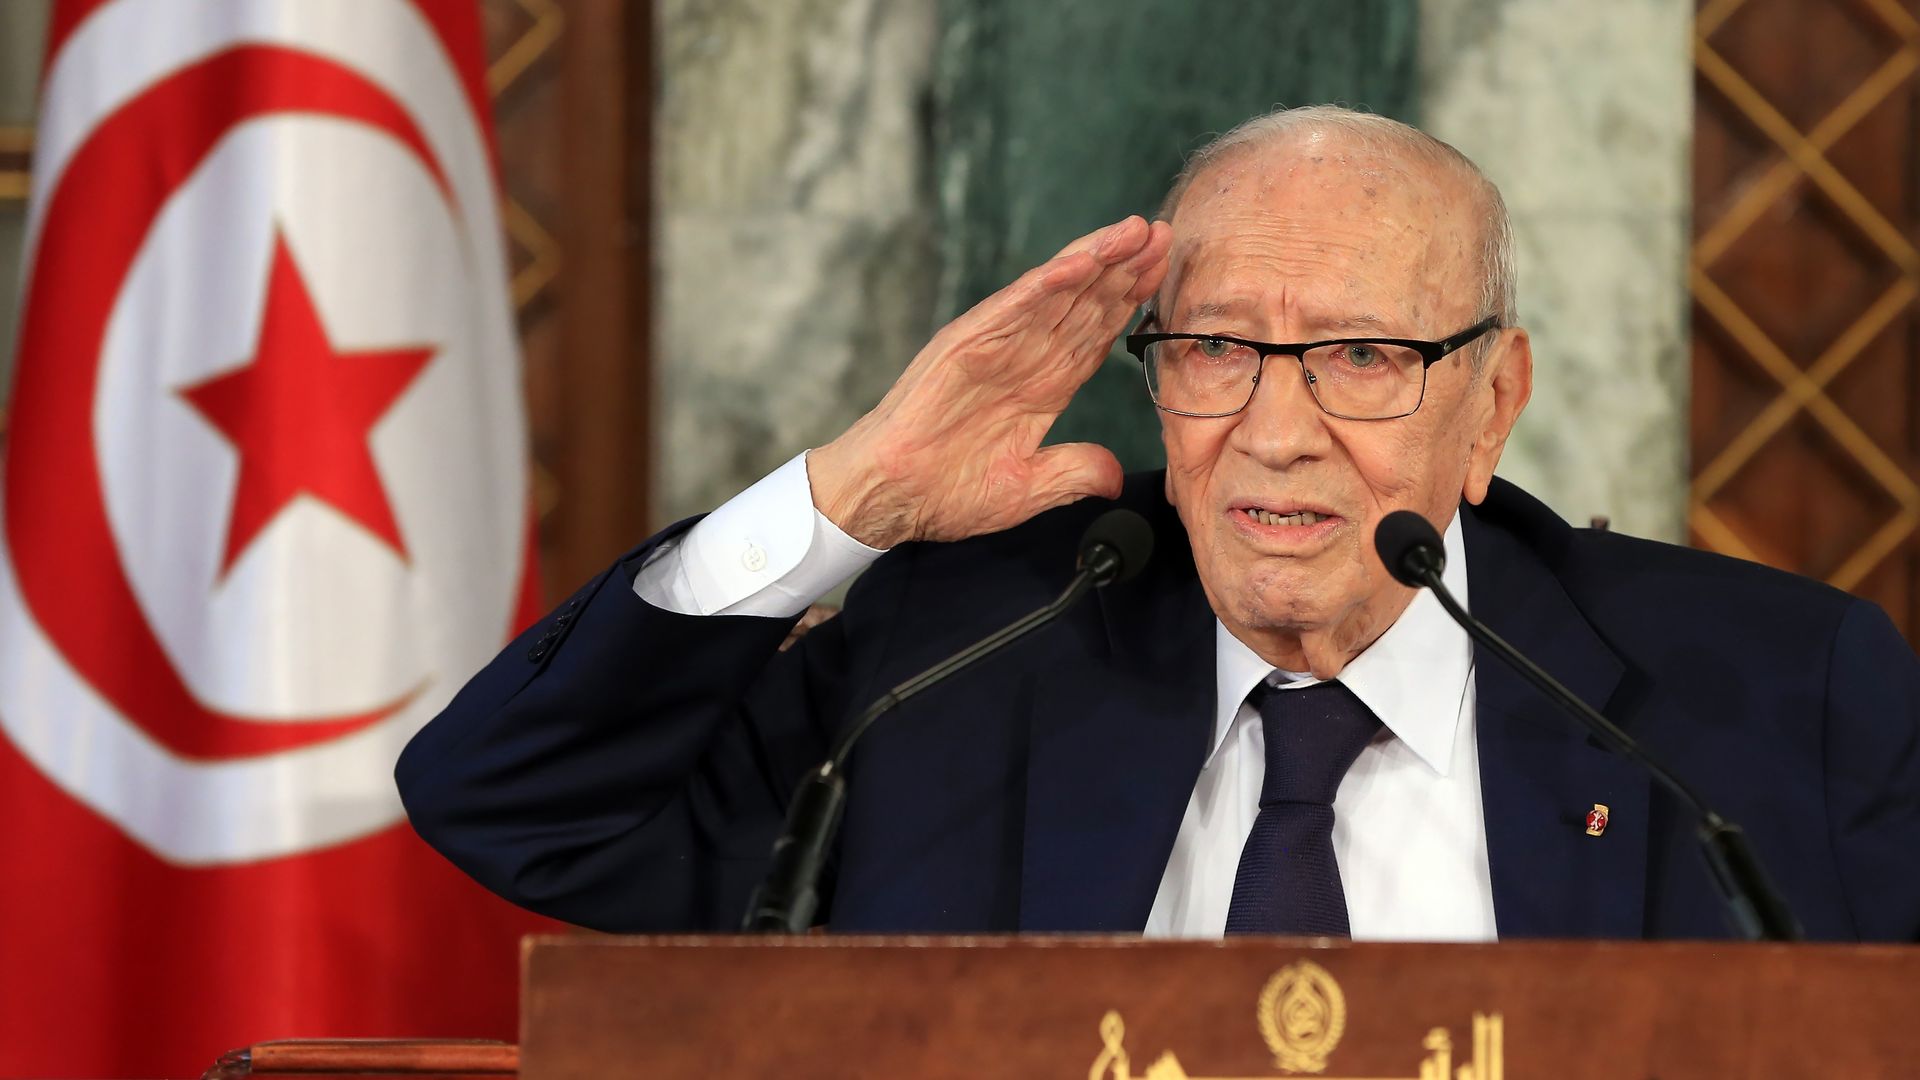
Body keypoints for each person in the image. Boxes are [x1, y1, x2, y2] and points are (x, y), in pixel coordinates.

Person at [396, 106, 1920, 941]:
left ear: (1492, 403)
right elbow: (521, 805)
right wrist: (845, 503)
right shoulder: (951, 666)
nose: (1273, 427)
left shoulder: (1780, 703)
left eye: (1365, 358)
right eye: (1213, 351)